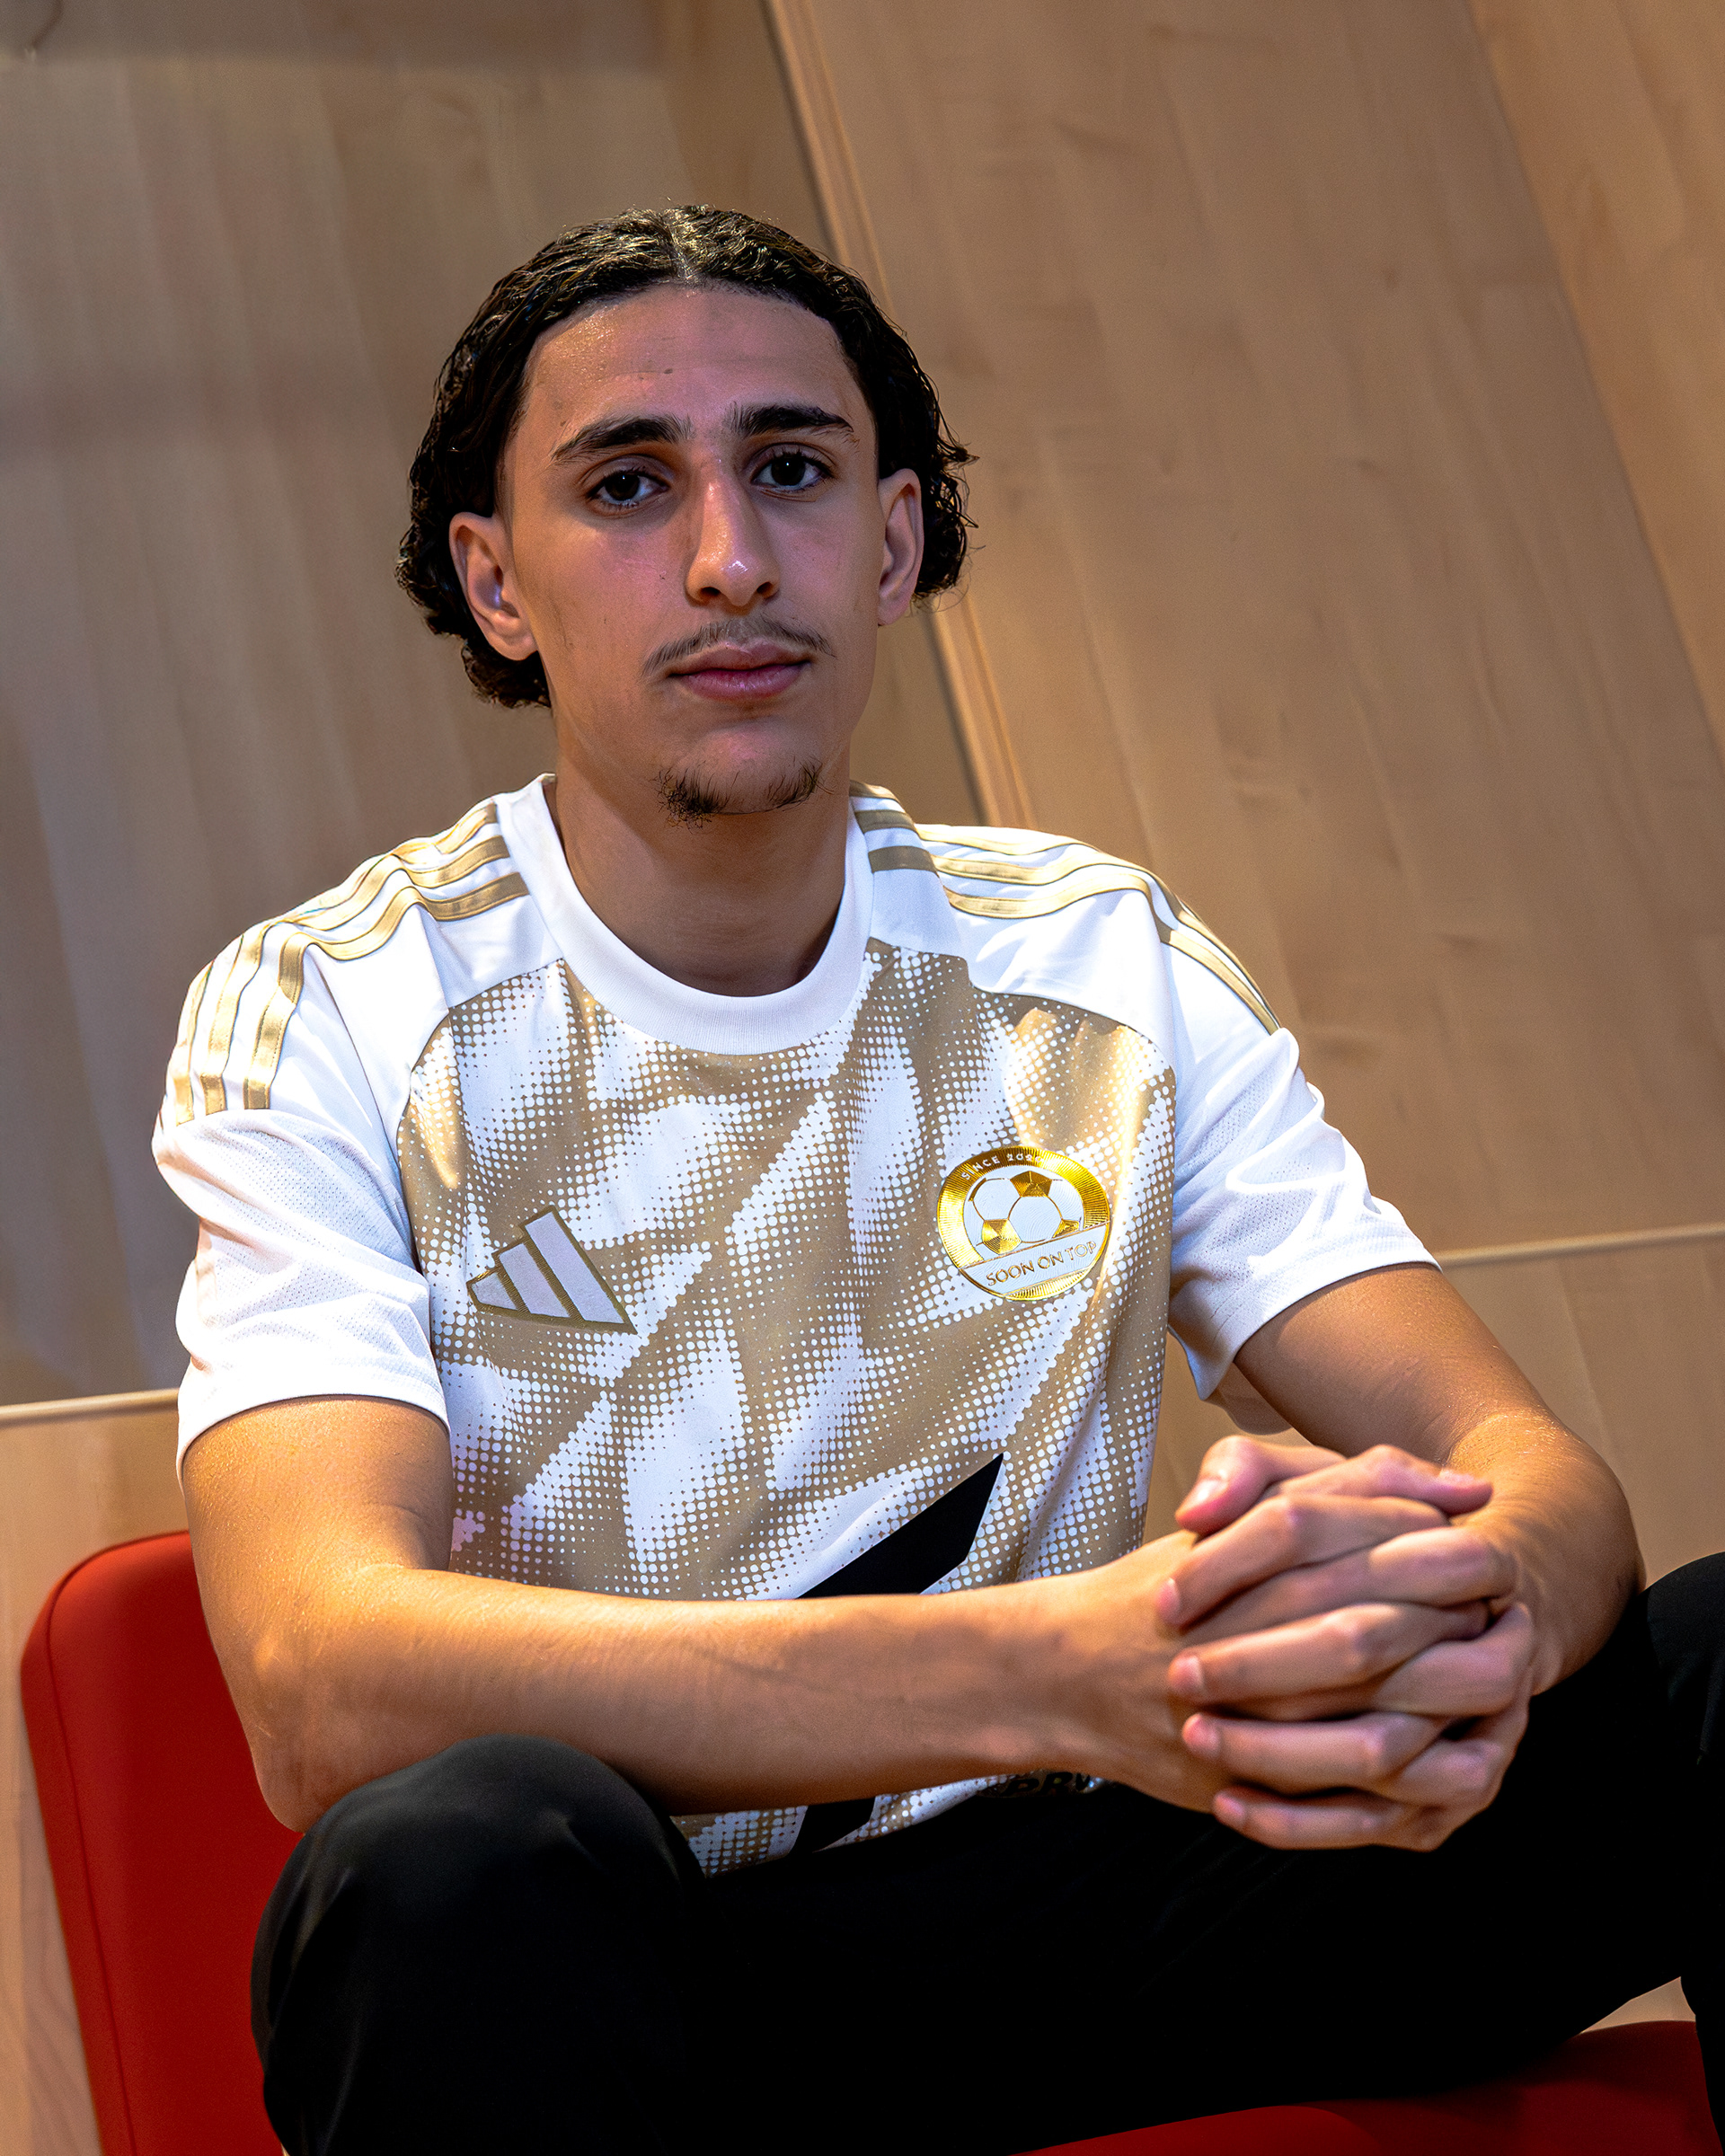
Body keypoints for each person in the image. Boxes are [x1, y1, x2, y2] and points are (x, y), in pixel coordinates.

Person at [155, 207, 1720, 2155]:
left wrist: (1446, 1611)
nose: (730, 557)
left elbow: (1535, 1470)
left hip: (1123, 1899)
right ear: (497, 582)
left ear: (891, 541)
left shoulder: (1096, 955)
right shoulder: (339, 1006)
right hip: (687, 1979)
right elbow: (319, 1678)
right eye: (628, 486)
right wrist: (1057, 1674)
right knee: (444, 1868)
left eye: (793, 470)